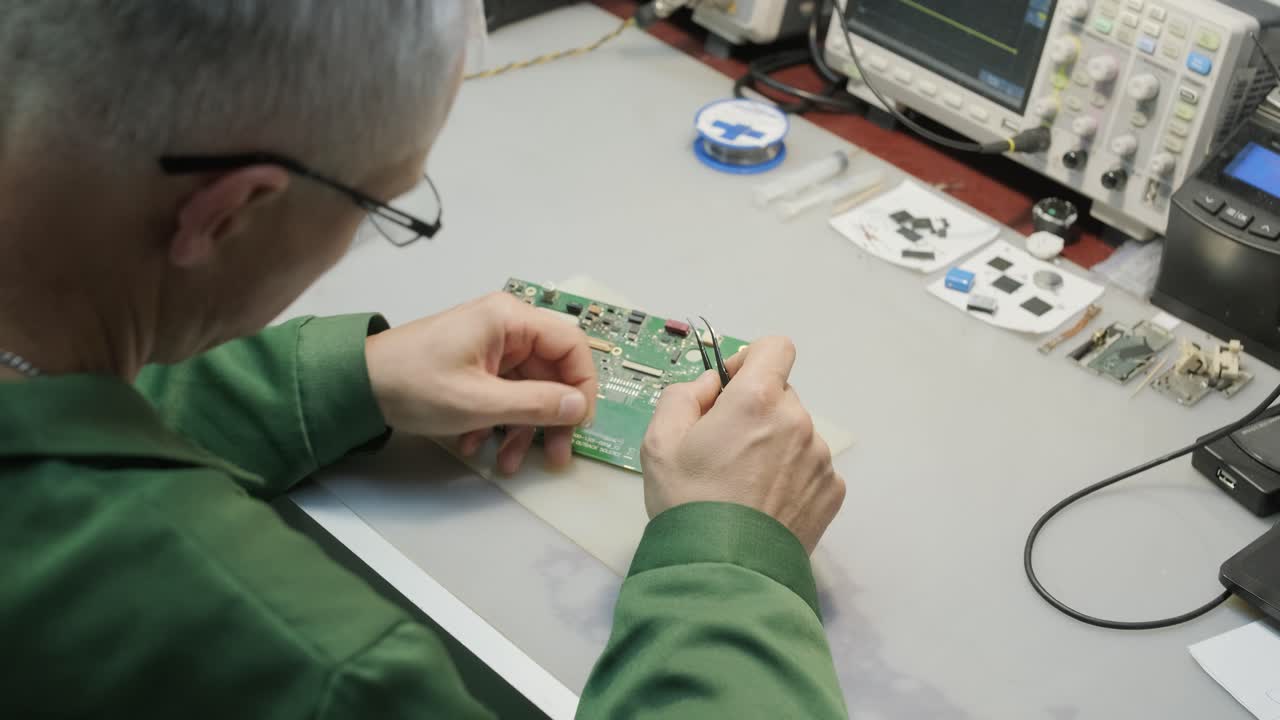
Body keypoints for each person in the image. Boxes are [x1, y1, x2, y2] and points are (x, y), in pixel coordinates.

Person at [0, 2, 848, 717]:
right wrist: (734, 562)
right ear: (228, 214)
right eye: (384, 205)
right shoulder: (318, 663)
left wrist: (338, 378)